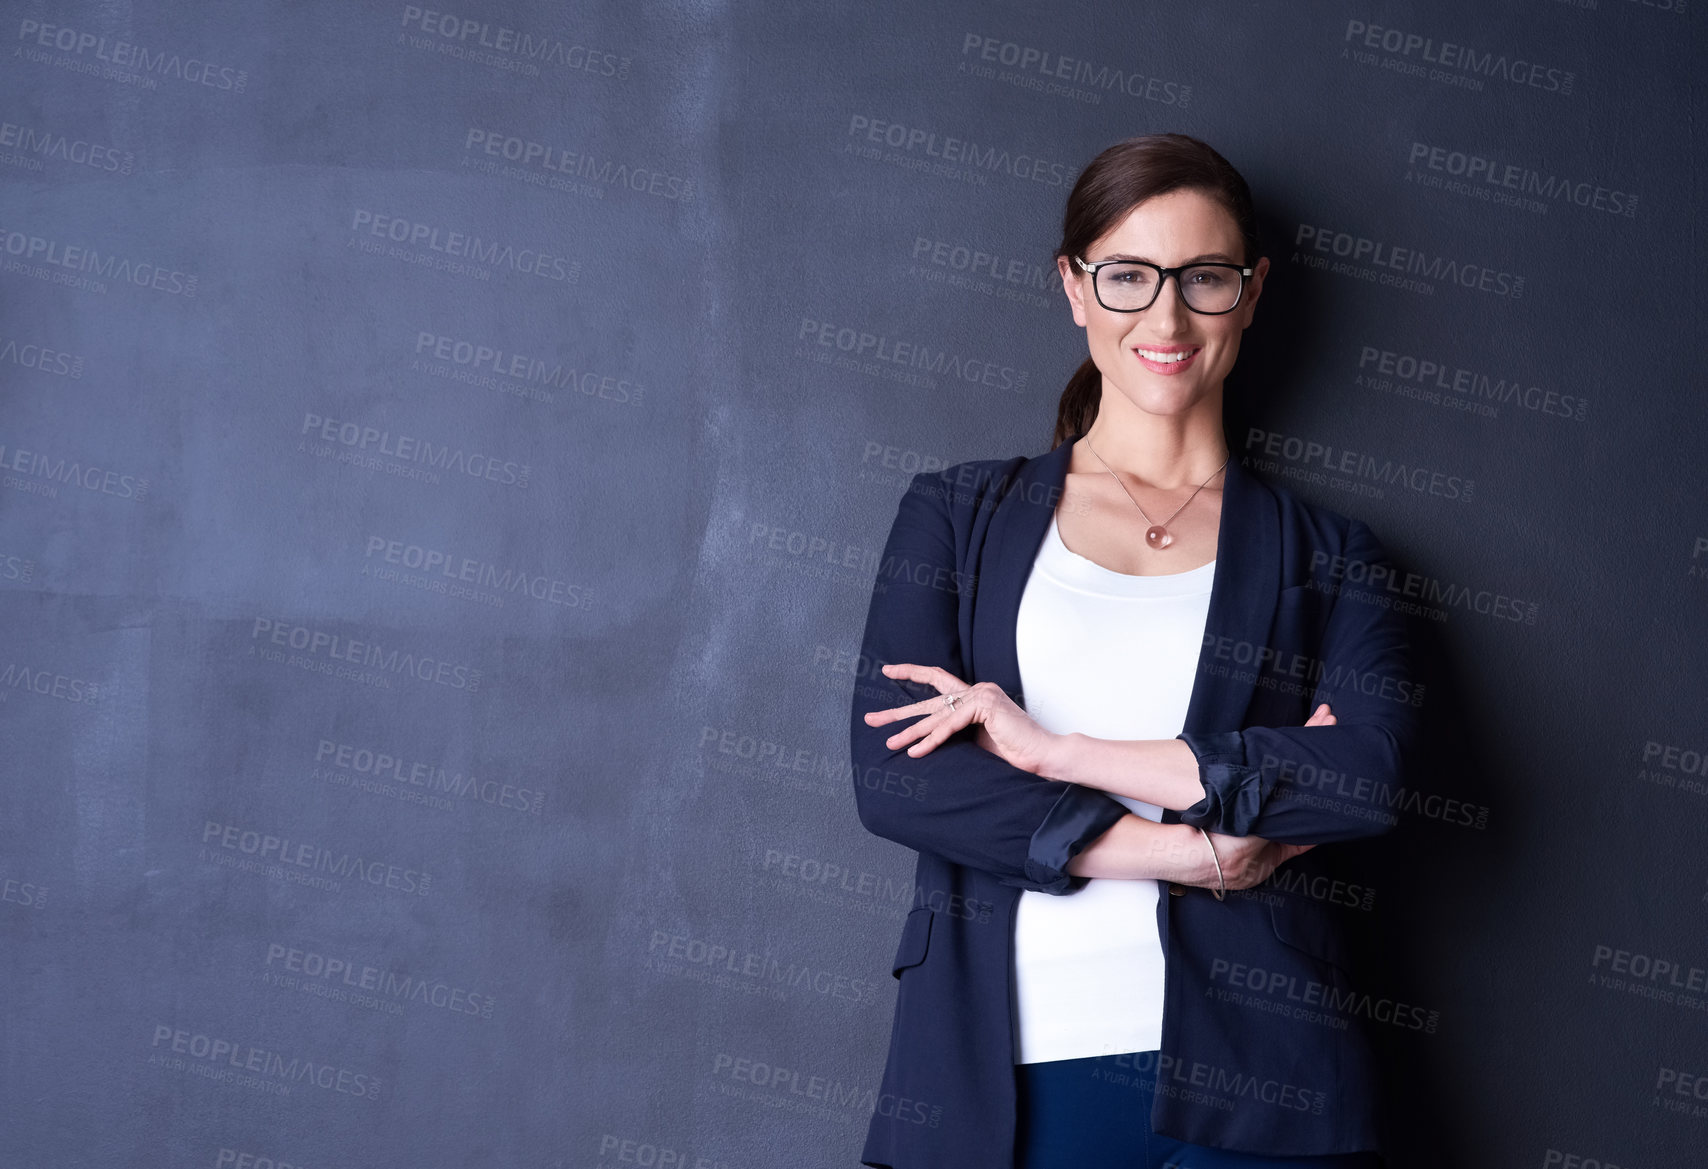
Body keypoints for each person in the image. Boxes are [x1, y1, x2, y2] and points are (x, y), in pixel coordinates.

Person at [847, 133, 1421, 1169]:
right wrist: (1194, 849)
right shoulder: (955, 514)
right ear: (1073, 287)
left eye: (1203, 278)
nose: (1164, 316)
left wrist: (1050, 749)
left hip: (1264, 1080)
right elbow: (900, 779)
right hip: (999, 1079)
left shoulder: (1329, 555)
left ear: (1249, 295)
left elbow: (1367, 776)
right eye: (1127, 276)